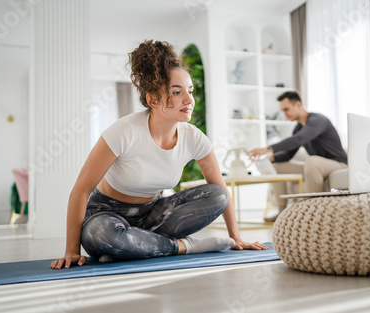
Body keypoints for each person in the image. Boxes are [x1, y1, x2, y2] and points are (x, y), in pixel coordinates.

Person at [51, 40, 267, 269]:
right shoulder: (123, 131)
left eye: (190, 91)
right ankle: (185, 246)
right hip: (107, 215)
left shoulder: (194, 137)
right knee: (102, 235)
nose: (189, 100)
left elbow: (219, 190)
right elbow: (81, 190)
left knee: (218, 196)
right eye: (177, 92)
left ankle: (135, 247)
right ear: (152, 99)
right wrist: (72, 251)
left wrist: (237, 238)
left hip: (154, 217)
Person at [247, 91, 347, 222]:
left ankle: (313, 210)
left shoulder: (317, 120)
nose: (285, 114)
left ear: (298, 105)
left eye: (286, 109)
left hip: (337, 164)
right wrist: (272, 158)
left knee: (312, 161)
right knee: (277, 166)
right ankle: (281, 211)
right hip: (316, 167)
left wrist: (266, 149)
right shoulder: (298, 128)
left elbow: (299, 139)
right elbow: (289, 154)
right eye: (283, 110)